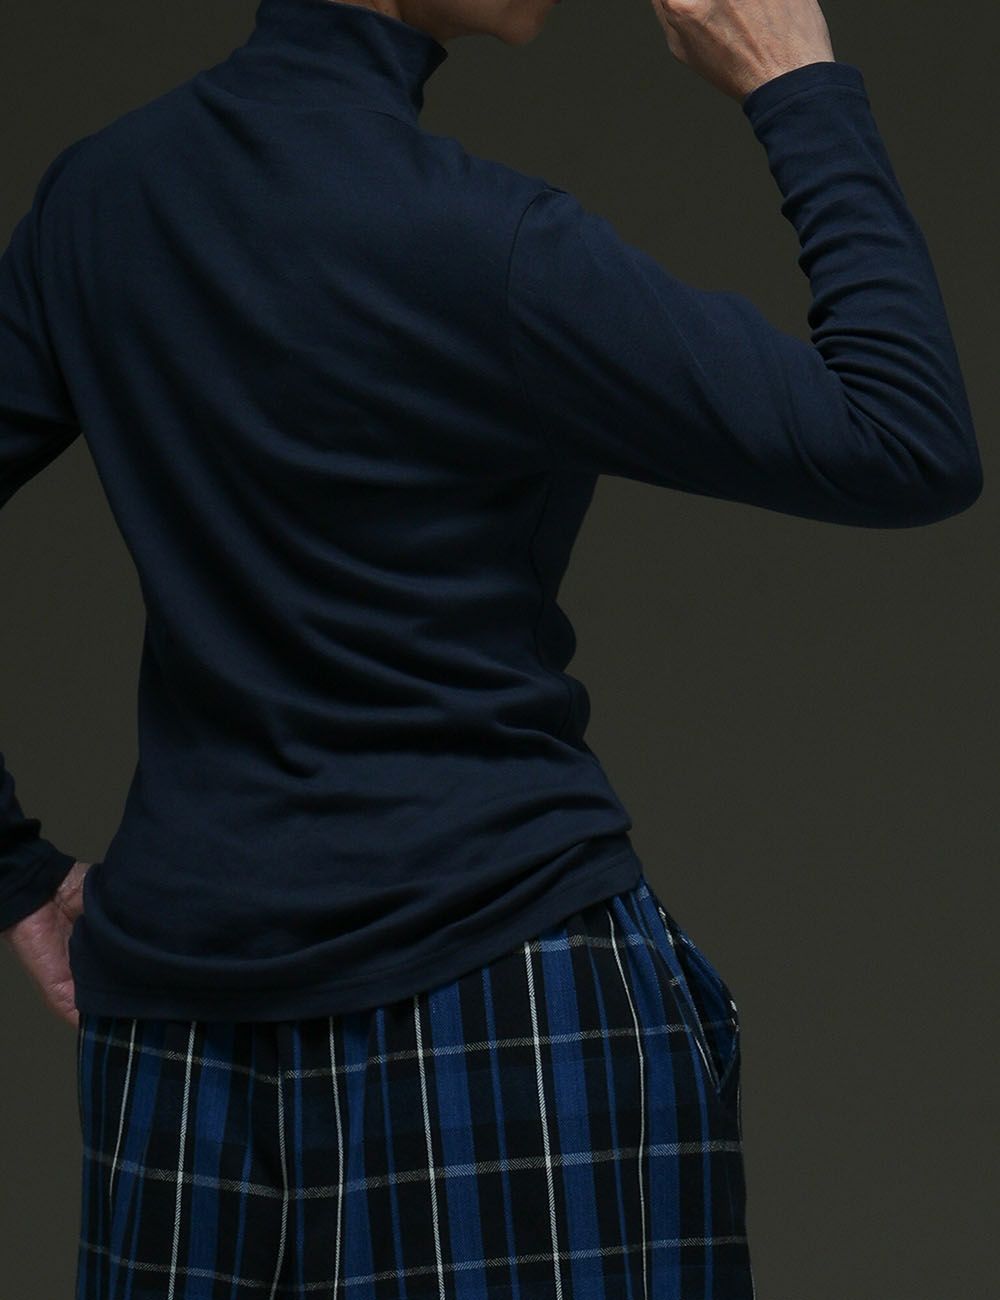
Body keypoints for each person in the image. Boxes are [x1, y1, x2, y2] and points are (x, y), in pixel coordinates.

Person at [0, 0, 982, 1295]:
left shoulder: (98, 203)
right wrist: (796, 81)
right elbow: (907, 435)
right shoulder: (489, 244)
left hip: (179, 1043)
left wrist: (12, 871)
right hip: (502, 1007)